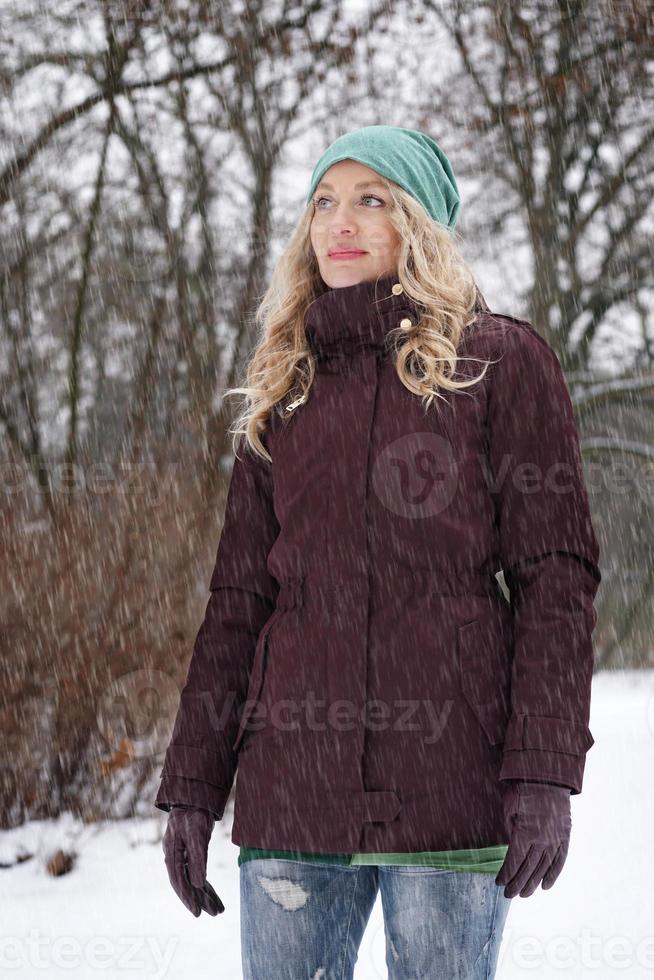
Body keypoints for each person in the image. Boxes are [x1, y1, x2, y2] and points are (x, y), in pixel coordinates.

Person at [154, 125, 601, 979]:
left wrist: (546, 773)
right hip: (293, 794)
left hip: (450, 790)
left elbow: (556, 579)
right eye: (325, 201)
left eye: (372, 199)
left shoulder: (500, 363)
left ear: (420, 223)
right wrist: (191, 788)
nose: (339, 223)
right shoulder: (283, 386)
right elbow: (239, 604)